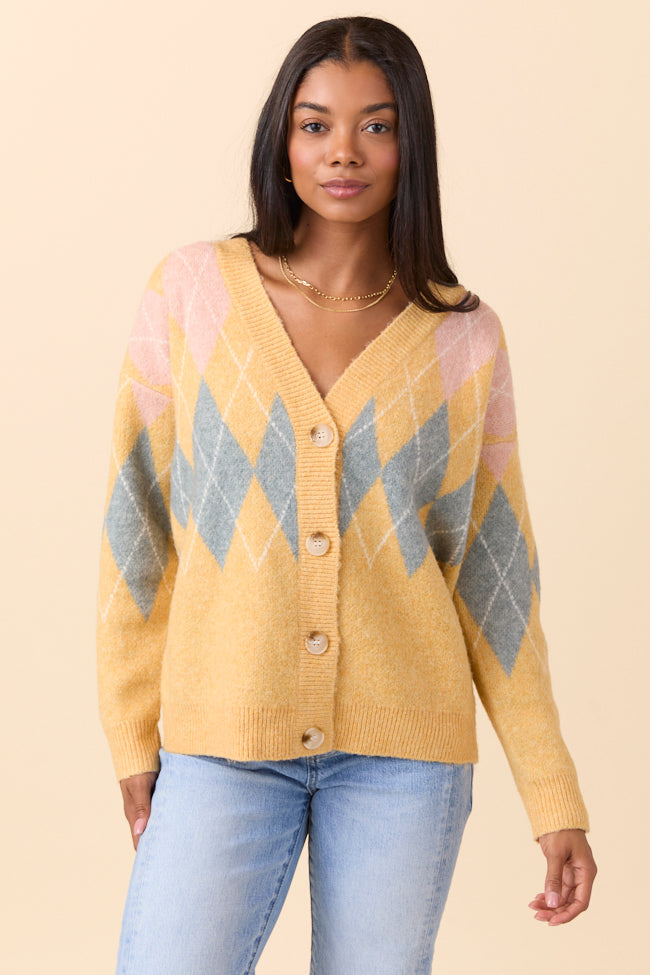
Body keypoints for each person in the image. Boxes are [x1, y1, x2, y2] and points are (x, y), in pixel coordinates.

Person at [96, 15, 596, 974]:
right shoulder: (193, 292)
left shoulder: (465, 338)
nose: (343, 152)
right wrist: (132, 733)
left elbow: (496, 582)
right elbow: (137, 526)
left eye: (377, 125)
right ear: (281, 140)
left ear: (413, 145)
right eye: (316, 124)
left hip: (405, 760)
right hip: (221, 734)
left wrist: (553, 795)